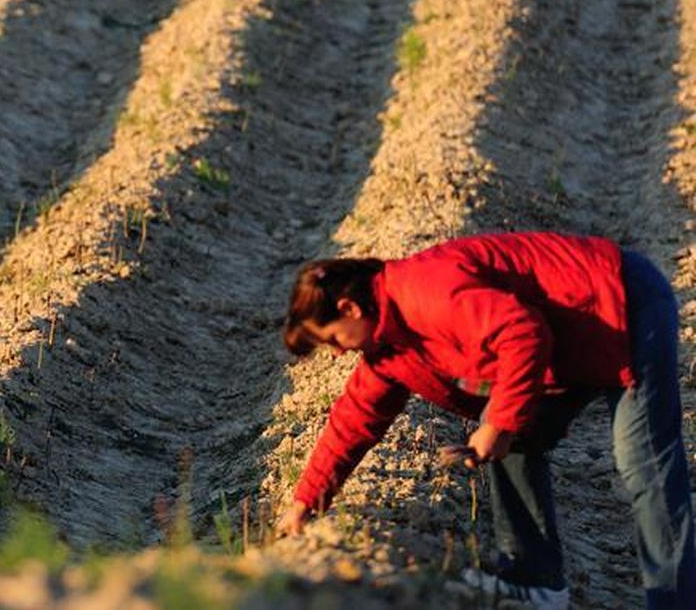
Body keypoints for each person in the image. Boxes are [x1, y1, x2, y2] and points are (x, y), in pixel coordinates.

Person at [275, 231, 693, 610]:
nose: (336, 353)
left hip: (619, 300)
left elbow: (523, 333)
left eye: (331, 338)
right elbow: (355, 419)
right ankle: (534, 579)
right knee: (516, 436)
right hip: (566, 340)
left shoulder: (425, 291)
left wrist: (499, 423)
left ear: (348, 307)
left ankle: (676, 601)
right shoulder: (388, 348)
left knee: (645, 465)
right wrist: (306, 501)